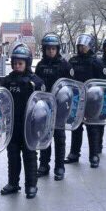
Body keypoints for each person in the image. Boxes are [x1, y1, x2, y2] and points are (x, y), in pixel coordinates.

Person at [0, 44, 45, 199]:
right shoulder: (7, 81)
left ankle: (31, 185)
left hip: (29, 126)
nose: (17, 66)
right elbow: (1, 101)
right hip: (12, 125)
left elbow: (43, 104)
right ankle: (13, 183)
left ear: (27, 63)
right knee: (12, 155)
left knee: (29, 155)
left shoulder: (35, 82)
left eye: (20, 63)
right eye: (15, 63)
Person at [65, 34, 106, 167]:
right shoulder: (73, 61)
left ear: (90, 46)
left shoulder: (96, 62)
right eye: (79, 45)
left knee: (92, 128)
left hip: (92, 100)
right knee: (76, 127)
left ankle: (94, 155)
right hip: (77, 99)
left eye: (83, 45)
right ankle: (74, 153)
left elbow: (103, 82)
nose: (81, 48)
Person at [35, 33, 72, 180]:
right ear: (44, 49)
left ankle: (59, 167)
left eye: (53, 48)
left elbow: (71, 88)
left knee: (59, 138)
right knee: (44, 136)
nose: (51, 51)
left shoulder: (64, 65)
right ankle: (44, 165)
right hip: (44, 107)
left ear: (57, 49)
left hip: (60, 108)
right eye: (48, 48)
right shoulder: (40, 65)